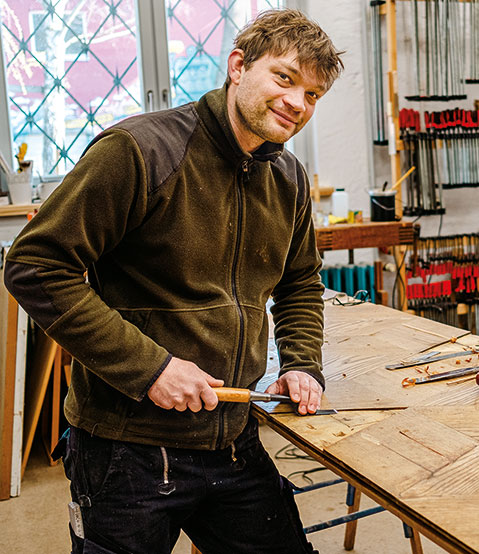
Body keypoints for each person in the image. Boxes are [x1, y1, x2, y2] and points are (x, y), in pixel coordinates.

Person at [4, 8, 343, 553]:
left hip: (233, 437)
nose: (297, 103)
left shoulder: (288, 177)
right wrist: (152, 368)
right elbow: (35, 265)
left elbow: (300, 281)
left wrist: (302, 361)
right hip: (127, 450)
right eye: (284, 78)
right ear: (238, 67)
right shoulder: (141, 150)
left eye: (312, 94)